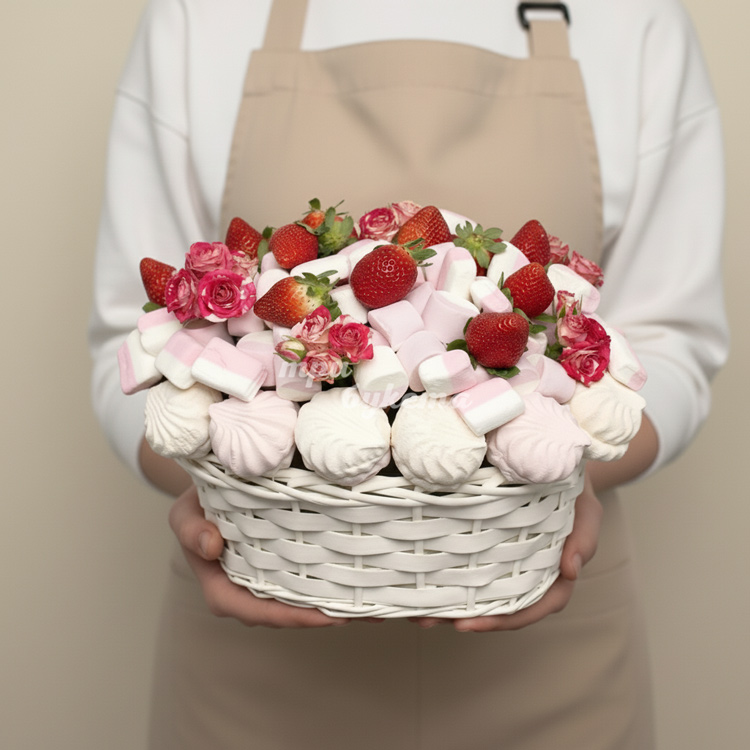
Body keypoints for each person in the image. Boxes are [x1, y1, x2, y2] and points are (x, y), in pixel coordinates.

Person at [89, 0, 728, 747]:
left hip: (555, 653)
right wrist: (216, 484)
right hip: (253, 666)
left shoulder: (637, 17)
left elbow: (672, 339)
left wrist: (565, 468)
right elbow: (132, 339)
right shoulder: (196, 15)